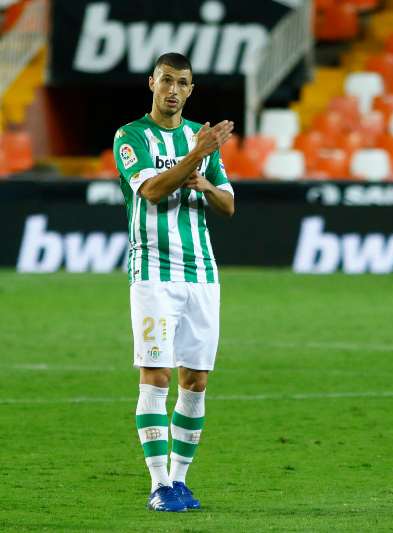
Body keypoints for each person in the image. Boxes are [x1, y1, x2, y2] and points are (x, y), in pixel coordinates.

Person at [113, 52, 235, 512]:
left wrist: (207, 184)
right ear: (151, 83)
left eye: (182, 83)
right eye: (166, 80)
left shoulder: (200, 138)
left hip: (202, 272)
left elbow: (228, 206)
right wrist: (195, 158)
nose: (173, 90)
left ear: (190, 89)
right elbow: (151, 190)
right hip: (153, 275)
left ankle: (181, 482)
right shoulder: (131, 136)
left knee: (197, 380)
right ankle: (159, 483)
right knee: (157, 374)